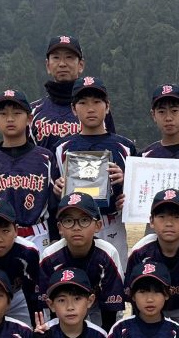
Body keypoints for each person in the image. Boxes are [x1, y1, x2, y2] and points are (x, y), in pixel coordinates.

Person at [0, 89, 61, 253]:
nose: (10, 119)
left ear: (29, 118)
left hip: (37, 235)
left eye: (17, 113)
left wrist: (55, 238)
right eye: (3, 114)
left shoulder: (45, 158)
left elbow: (54, 204)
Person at [54, 76, 137, 267]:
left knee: (114, 279)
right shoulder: (61, 148)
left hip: (111, 222)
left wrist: (125, 181)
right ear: (73, 109)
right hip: (75, 225)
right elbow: (54, 196)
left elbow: (138, 194)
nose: (90, 108)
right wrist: (58, 189)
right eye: (82, 103)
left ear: (107, 107)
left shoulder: (125, 147)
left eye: (97, 102)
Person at [126, 188, 179, 327]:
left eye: (177, 217)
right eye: (161, 216)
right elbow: (133, 294)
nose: (169, 223)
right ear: (151, 221)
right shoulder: (140, 251)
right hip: (150, 306)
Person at [40, 191, 125, 330]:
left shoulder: (108, 253)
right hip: (65, 306)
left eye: (84, 220)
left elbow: (111, 309)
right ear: (60, 228)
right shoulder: (50, 256)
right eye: (68, 221)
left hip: (99, 305)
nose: (76, 227)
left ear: (98, 225)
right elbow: (51, 308)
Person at [30, 35, 115, 151]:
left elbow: (112, 147)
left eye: (69, 57)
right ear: (48, 65)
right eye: (56, 58)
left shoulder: (98, 108)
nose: (62, 64)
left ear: (81, 65)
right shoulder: (33, 112)